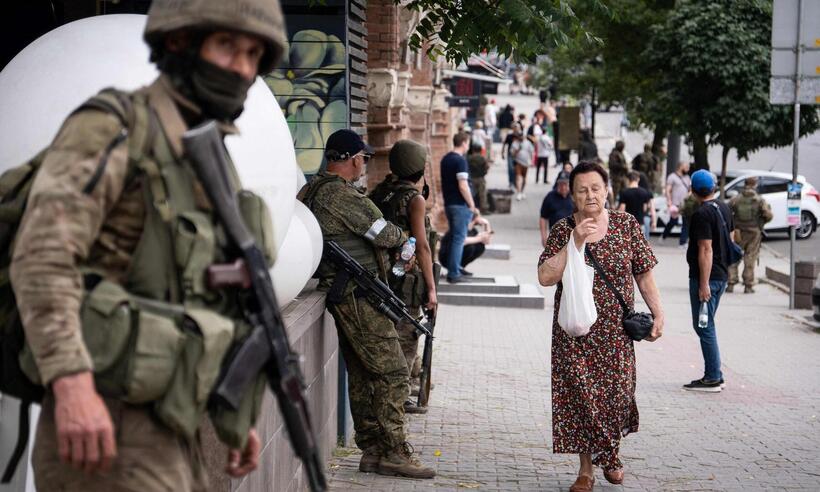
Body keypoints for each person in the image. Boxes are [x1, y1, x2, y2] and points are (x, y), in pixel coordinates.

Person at [8, 1, 288, 489]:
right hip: (104, 421)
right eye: (227, 47)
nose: (241, 68)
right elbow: (43, 258)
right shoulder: (115, 127)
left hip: (173, 425)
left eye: (252, 54)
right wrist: (71, 385)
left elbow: (209, 300)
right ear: (179, 42)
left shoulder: (208, 155)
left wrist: (232, 419)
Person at [299, 130, 435, 478]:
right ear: (353, 158)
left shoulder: (312, 190)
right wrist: (404, 239)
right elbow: (385, 233)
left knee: (362, 373)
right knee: (393, 371)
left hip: (350, 292)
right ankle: (394, 450)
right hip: (357, 295)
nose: (364, 165)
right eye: (363, 158)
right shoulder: (338, 195)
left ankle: (372, 450)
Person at [537, 161, 663, 491]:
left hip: (617, 334)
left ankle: (611, 452)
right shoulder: (563, 230)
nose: (590, 195)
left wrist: (658, 313)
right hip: (575, 334)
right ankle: (585, 470)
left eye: (596, 188)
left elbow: (644, 274)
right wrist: (574, 243)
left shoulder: (626, 225)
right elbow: (545, 277)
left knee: (618, 396)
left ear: (607, 190)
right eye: (582, 190)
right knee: (581, 399)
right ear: (573, 196)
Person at [369, 140, 439, 414]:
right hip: (407, 280)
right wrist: (432, 289)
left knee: (392, 333)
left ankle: (410, 380)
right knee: (407, 334)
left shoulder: (381, 191)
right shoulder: (415, 199)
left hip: (384, 276)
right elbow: (422, 246)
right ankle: (400, 396)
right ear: (418, 168)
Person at [684, 170, 732, 393]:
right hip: (721, 275)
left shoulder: (702, 214)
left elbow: (706, 249)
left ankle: (713, 377)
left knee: (704, 325)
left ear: (693, 190)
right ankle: (714, 375)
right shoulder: (723, 207)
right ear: (713, 187)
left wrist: (703, 284)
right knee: (706, 323)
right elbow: (730, 237)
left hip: (708, 278)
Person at [441, 133, 479, 284]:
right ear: (464, 142)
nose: (468, 146)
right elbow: (463, 185)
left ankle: (454, 267)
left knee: (455, 237)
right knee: (459, 238)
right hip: (460, 205)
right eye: (467, 142)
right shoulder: (460, 160)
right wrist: (472, 204)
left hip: (449, 203)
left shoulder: (446, 159)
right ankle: (454, 272)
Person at [728, 176, 773, 293]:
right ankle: (748, 286)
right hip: (754, 232)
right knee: (750, 257)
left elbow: (727, 212)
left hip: (738, 232)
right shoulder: (759, 200)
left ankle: (731, 283)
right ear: (755, 185)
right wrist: (761, 223)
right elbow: (768, 215)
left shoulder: (736, 199)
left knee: (734, 256)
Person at [619, 171, 655, 239]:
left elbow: (622, 209)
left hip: (628, 224)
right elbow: (644, 208)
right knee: (640, 246)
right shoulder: (644, 192)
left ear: (628, 179)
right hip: (640, 223)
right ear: (638, 179)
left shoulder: (624, 192)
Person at [662, 161, 691, 244]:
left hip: (685, 204)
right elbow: (668, 190)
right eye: (686, 167)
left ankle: (682, 242)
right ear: (680, 167)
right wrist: (669, 201)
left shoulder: (687, 177)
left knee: (686, 223)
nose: (688, 169)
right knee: (673, 222)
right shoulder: (672, 177)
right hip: (675, 203)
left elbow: (689, 190)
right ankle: (664, 236)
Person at [539, 176, 573, 247]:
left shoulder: (575, 196)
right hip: (555, 237)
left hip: (573, 237)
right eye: (561, 184)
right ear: (557, 184)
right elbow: (543, 218)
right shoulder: (550, 196)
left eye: (565, 184)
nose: (563, 187)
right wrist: (544, 237)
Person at [510, 129, 535, 201]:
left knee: (524, 178)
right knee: (518, 177)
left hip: (526, 163)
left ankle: (522, 191)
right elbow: (512, 154)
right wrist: (518, 149)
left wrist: (532, 161)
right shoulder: (515, 143)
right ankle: (519, 192)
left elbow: (531, 152)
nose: (521, 138)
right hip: (518, 162)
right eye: (519, 136)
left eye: (522, 136)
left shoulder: (528, 143)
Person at [528, 110, 550, 184]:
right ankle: (544, 179)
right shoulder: (537, 127)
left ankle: (537, 179)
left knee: (538, 167)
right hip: (545, 154)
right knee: (545, 168)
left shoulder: (537, 128)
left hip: (540, 153)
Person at [467, 143, 490, 214]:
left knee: (471, 194)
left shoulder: (469, 158)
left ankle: (471, 208)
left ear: (473, 150)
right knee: (482, 194)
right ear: (480, 150)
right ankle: (484, 209)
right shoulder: (482, 158)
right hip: (480, 178)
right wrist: (484, 173)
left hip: (471, 178)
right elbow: (487, 167)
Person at [501, 122, 521, 190]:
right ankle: (511, 183)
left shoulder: (520, 135)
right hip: (510, 154)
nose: (516, 129)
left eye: (517, 127)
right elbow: (504, 144)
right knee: (510, 169)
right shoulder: (509, 136)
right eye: (514, 127)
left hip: (518, 155)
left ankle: (516, 182)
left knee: (517, 169)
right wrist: (502, 153)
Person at [608, 141, 628, 206]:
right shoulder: (613, 154)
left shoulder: (621, 153)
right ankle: (613, 206)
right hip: (616, 177)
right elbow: (612, 165)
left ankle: (622, 206)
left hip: (622, 176)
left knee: (624, 192)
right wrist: (622, 166)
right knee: (615, 192)